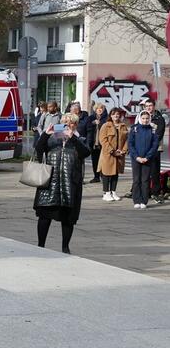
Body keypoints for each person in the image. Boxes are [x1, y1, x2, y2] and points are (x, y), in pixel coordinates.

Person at [33, 113, 89, 254]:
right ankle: (40, 245)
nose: (67, 125)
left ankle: (65, 246)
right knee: (45, 215)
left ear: (75, 125)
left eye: (71, 123)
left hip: (70, 183)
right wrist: (46, 134)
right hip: (50, 183)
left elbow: (86, 152)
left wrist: (73, 138)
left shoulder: (79, 139)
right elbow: (39, 149)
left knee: (68, 218)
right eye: (64, 122)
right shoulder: (52, 139)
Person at [128, 109, 160, 208]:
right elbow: (130, 144)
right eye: (143, 118)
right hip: (136, 159)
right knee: (136, 180)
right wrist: (136, 157)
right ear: (140, 118)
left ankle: (144, 201)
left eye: (147, 118)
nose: (145, 120)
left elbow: (154, 145)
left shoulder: (153, 130)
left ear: (149, 118)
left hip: (147, 159)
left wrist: (147, 157)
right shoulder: (135, 129)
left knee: (145, 180)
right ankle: (136, 200)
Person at [137, 99, 166, 203]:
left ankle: (156, 193)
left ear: (154, 106)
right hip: (143, 148)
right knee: (143, 172)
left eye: (150, 105)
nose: (148, 108)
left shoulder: (159, 118)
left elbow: (158, 135)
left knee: (154, 172)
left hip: (155, 149)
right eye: (146, 106)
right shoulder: (143, 117)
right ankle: (143, 191)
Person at [97, 108, 128, 201]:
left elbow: (127, 140)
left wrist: (123, 150)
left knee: (115, 173)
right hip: (108, 154)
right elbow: (103, 140)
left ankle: (113, 192)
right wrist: (112, 151)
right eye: (114, 114)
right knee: (106, 173)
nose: (116, 116)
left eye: (118, 114)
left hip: (119, 154)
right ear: (110, 115)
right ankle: (106, 193)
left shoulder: (123, 126)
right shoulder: (106, 126)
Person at [86, 102, 107, 183]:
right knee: (95, 160)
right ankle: (96, 176)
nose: (100, 110)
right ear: (95, 110)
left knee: (103, 160)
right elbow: (87, 128)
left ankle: (103, 176)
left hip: (103, 142)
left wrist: (100, 123)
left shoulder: (106, 118)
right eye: (98, 109)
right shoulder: (91, 118)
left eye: (101, 108)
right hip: (94, 142)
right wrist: (93, 123)